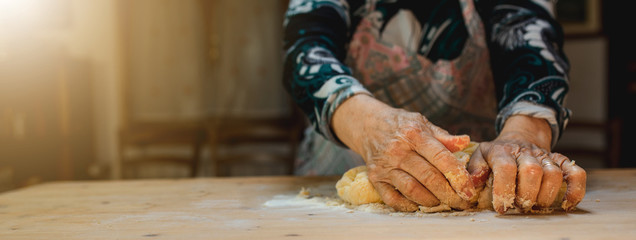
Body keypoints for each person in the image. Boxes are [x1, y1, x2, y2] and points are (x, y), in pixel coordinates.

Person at [282, 0, 586, 214]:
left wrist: (524, 136)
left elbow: (532, 49)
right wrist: (369, 128)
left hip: (486, 169)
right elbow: (305, 52)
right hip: (345, 155)